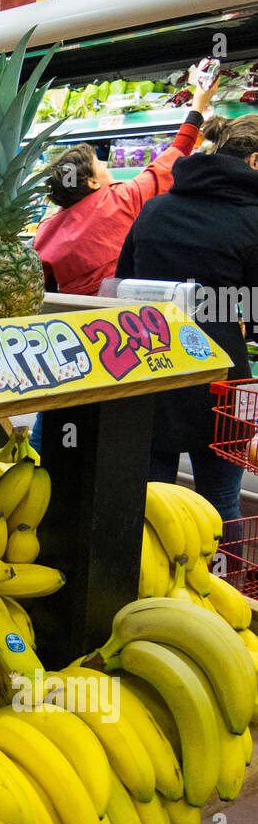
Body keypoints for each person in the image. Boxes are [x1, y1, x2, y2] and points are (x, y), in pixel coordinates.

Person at [114, 113, 258, 521]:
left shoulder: (155, 209)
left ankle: (148, 581)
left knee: (150, 502)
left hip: (151, 369)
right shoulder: (253, 219)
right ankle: (217, 582)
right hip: (221, 381)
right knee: (220, 502)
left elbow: (120, 288)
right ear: (255, 163)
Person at [35, 76, 218, 296]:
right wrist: (197, 107)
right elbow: (172, 158)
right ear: (92, 182)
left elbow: (40, 284)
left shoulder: (46, 230)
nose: (104, 163)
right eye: (98, 162)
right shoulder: (118, 200)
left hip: (73, 316)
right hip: (125, 309)